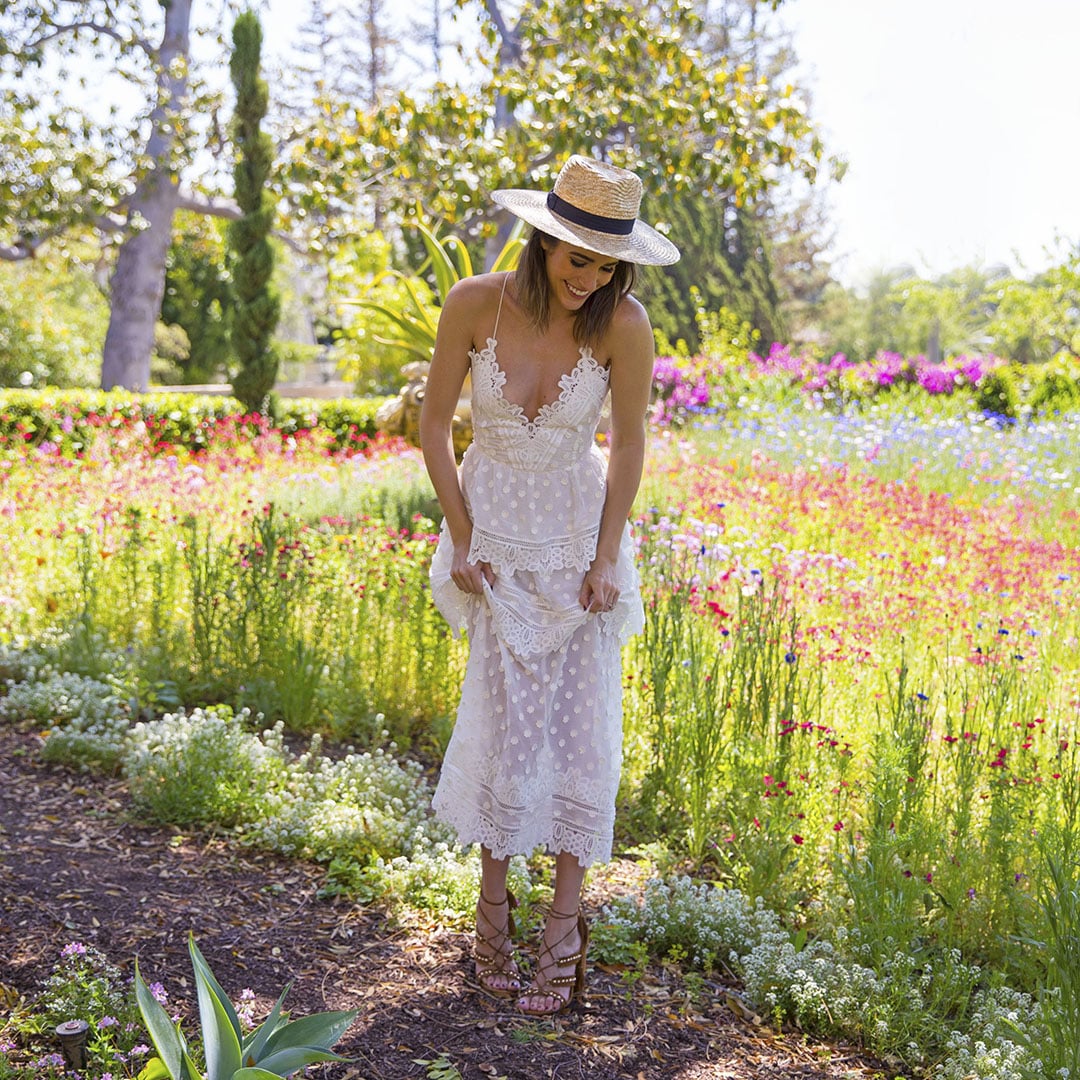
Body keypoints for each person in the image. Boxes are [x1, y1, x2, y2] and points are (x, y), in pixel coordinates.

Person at [419, 154, 680, 1016]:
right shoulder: (471, 303)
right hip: (493, 538)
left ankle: (562, 936)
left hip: (576, 541)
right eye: (579, 258)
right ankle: (490, 920)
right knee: (501, 723)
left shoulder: (624, 323)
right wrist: (460, 538)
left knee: (578, 733)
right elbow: (432, 428)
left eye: (608, 265)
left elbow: (632, 445)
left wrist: (608, 558)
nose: (590, 279)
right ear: (544, 238)